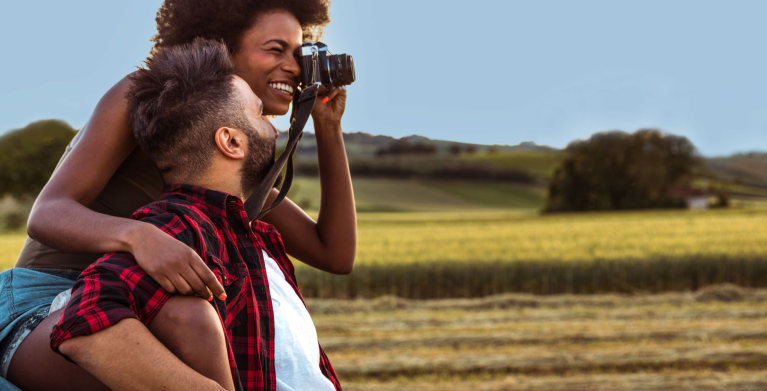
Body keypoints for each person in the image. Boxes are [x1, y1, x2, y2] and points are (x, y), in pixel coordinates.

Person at [0, 0, 355, 389]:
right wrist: (140, 237)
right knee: (190, 319)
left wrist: (327, 126)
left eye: (299, 52)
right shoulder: (146, 97)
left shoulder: (229, 156)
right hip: (49, 297)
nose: (295, 66)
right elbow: (47, 213)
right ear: (221, 46)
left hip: (144, 304)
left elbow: (333, 252)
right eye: (276, 49)